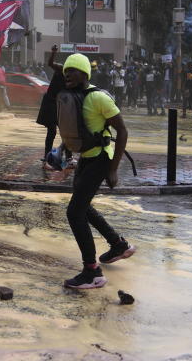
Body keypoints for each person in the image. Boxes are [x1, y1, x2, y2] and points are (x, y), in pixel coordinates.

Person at [59, 53, 134, 290]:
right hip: (85, 159)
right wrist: (63, 151)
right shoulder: (74, 97)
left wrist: (113, 170)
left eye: (72, 70)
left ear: (84, 73)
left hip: (102, 160)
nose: (68, 74)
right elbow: (75, 129)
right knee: (83, 207)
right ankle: (118, 245)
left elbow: (122, 131)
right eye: (66, 71)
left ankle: (92, 272)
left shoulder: (98, 97)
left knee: (74, 213)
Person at [36, 44, 67, 163]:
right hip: (50, 103)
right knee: (52, 131)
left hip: (61, 106)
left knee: (65, 132)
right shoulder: (61, 69)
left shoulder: (74, 77)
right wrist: (53, 52)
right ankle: (47, 155)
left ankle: (68, 157)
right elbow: (50, 64)